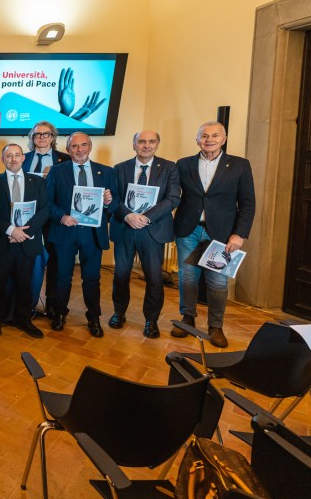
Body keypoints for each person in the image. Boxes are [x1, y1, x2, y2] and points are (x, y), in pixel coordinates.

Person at [171, 121, 255, 348]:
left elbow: (248, 203)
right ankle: (187, 318)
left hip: (222, 234)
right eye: (204, 136)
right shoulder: (183, 164)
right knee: (187, 278)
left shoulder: (240, 165)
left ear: (223, 139)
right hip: (188, 229)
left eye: (215, 135)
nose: (209, 140)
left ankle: (215, 326)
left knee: (217, 281)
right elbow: (172, 195)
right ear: (197, 140)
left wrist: (239, 234)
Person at [44, 132, 118, 338]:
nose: (79, 150)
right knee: (62, 276)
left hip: (92, 234)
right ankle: (60, 313)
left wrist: (109, 202)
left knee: (92, 278)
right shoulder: (57, 171)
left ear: (90, 147)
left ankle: (93, 317)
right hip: (65, 231)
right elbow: (47, 202)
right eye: (74, 146)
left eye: (83, 145)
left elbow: (115, 205)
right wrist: (62, 217)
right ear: (68, 150)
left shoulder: (106, 172)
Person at [109, 130, 180, 339]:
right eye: (141, 141)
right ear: (134, 145)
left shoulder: (169, 168)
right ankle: (119, 312)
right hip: (125, 228)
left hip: (153, 230)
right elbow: (113, 198)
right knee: (121, 275)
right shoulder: (120, 168)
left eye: (151, 141)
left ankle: (151, 320)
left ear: (157, 144)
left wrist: (146, 218)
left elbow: (173, 198)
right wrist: (128, 216)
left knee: (154, 278)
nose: (146, 145)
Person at [0, 144, 49, 338]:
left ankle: (24, 319)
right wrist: (11, 230)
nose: (13, 159)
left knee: (25, 284)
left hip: (27, 242)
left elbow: (45, 209)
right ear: (2, 159)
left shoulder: (37, 182)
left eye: (17, 155)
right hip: (2, 241)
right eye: (9, 156)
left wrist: (23, 232)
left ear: (23, 158)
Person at [22, 121, 71, 318]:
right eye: (37, 134)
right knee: (29, 260)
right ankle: (26, 301)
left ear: (53, 137)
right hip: (29, 217)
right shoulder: (23, 158)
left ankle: (52, 303)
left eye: (46, 134)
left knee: (55, 261)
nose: (41, 137)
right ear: (32, 138)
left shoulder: (65, 159)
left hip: (55, 217)